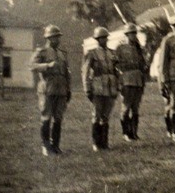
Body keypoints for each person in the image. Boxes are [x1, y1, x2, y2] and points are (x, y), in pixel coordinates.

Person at [29, 25, 72, 156]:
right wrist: (47, 65)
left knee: (58, 118)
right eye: (54, 37)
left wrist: (68, 89)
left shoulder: (62, 53)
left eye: (58, 37)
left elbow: (66, 73)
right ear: (48, 38)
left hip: (61, 89)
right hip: (47, 88)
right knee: (46, 117)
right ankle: (46, 146)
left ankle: (56, 146)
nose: (57, 39)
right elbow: (32, 66)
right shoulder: (41, 52)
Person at [82, 26, 119, 151]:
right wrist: (87, 88)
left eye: (105, 38)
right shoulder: (92, 54)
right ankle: (96, 143)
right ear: (97, 40)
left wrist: (118, 85)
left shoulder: (112, 53)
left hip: (110, 87)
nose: (104, 40)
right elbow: (85, 72)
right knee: (97, 115)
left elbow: (116, 71)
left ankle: (105, 142)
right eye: (101, 38)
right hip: (97, 87)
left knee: (106, 115)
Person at [115, 23, 148, 141]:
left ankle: (134, 133)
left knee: (135, 108)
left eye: (134, 33)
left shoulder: (138, 49)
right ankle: (126, 133)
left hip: (138, 80)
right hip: (127, 80)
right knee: (126, 107)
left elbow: (143, 65)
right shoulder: (120, 48)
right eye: (131, 34)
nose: (133, 36)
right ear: (126, 35)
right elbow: (115, 64)